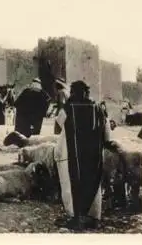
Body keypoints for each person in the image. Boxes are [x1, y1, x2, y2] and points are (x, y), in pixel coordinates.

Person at [54, 80, 108, 230]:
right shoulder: (98, 108)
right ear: (87, 92)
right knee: (94, 184)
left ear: (73, 93)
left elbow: (57, 128)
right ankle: (94, 218)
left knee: (72, 182)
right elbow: (107, 132)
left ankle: (76, 218)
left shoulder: (68, 108)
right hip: (94, 155)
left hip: (73, 154)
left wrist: (66, 105)